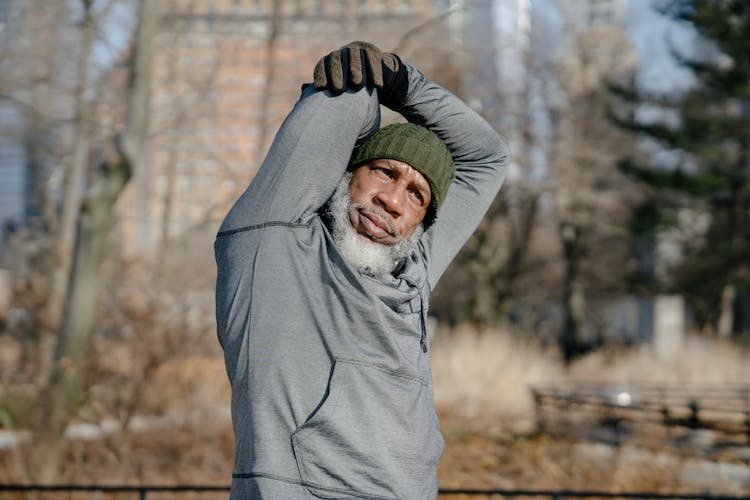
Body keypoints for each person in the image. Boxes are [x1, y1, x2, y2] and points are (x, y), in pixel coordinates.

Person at [215, 41, 509, 499]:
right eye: (383, 172)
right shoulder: (273, 240)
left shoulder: (414, 272)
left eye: (417, 194)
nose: (392, 201)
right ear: (346, 173)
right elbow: (348, 94)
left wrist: (404, 83)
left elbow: (488, 157)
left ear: (422, 221)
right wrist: (371, 83)